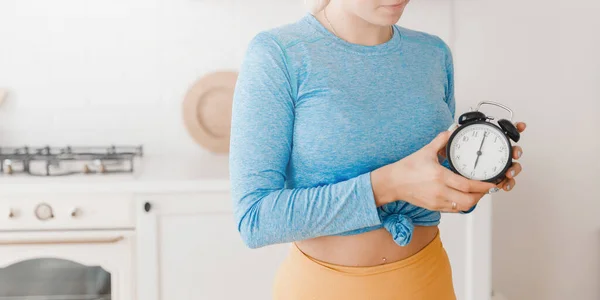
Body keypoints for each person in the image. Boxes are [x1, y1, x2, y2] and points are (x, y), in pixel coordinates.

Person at [228, 0, 526, 299]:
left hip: (428, 281)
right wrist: (389, 185)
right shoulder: (279, 53)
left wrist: (475, 174)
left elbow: (431, 182)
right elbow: (255, 220)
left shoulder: (433, 53)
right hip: (325, 289)